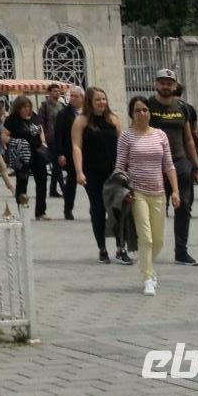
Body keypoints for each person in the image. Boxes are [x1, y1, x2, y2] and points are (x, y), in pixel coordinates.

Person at [115, 96, 180, 296]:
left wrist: (176, 191)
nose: (142, 114)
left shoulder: (160, 135)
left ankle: (147, 265)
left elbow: (168, 165)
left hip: (159, 193)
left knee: (159, 239)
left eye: (145, 110)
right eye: (137, 110)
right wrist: (123, 189)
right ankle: (148, 277)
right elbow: (119, 166)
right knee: (146, 238)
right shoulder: (127, 137)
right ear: (131, 114)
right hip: (137, 193)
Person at [146, 69, 198, 267]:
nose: (166, 86)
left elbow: (188, 139)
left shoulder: (182, 108)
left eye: (169, 83)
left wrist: (196, 165)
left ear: (175, 86)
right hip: (154, 164)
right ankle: (149, 249)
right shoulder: (147, 106)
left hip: (180, 163)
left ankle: (182, 251)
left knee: (184, 206)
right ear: (156, 84)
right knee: (157, 209)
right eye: (162, 83)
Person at [71, 86, 125, 264]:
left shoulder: (113, 120)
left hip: (113, 172)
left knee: (118, 209)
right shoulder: (81, 121)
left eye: (104, 99)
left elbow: (122, 146)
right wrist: (79, 171)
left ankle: (120, 247)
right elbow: (77, 147)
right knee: (98, 209)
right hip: (92, 172)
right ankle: (102, 248)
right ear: (90, 102)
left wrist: (125, 169)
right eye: (98, 100)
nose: (102, 102)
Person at [5, 95, 48, 218]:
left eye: (28, 106)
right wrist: (16, 142)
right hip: (22, 154)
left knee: (42, 181)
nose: (27, 109)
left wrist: (43, 142)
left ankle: (40, 212)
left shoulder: (34, 116)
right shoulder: (12, 120)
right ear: (18, 108)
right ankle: (22, 210)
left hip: (37, 153)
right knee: (22, 182)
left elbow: (40, 129)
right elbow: (4, 135)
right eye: (24, 107)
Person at [53, 87, 84, 220]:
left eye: (76, 96)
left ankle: (95, 207)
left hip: (87, 153)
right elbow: (58, 135)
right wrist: (59, 153)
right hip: (70, 152)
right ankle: (68, 208)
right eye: (71, 96)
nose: (72, 98)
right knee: (71, 182)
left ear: (82, 98)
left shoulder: (88, 113)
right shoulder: (63, 114)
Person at [37, 86, 67, 197]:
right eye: (55, 91)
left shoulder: (62, 106)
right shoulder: (44, 106)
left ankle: (52, 190)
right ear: (49, 93)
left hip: (61, 138)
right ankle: (64, 189)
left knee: (56, 165)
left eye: (59, 91)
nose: (57, 93)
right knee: (57, 163)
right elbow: (40, 124)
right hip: (51, 138)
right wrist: (42, 139)